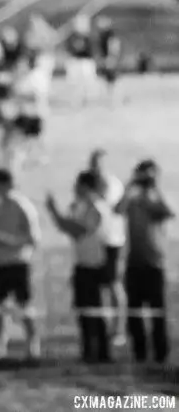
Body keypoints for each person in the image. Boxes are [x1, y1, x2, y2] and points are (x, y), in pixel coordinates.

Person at [46, 171, 112, 363]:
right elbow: (69, 227)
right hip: (83, 264)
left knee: (95, 310)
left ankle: (101, 352)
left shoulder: (96, 208)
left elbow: (77, 230)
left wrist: (55, 212)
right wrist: (56, 213)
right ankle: (89, 351)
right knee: (84, 310)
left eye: (78, 184)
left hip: (95, 266)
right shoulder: (82, 207)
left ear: (85, 186)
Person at [116, 160, 173, 364]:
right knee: (135, 312)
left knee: (157, 311)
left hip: (155, 263)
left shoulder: (155, 200)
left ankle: (160, 354)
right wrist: (130, 185)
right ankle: (139, 352)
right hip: (134, 262)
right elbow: (117, 209)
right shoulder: (132, 200)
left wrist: (153, 188)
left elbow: (168, 212)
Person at [0, 168, 41, 360]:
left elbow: (33, 239)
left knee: (24, 307)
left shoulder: (21, 206)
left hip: (17, 263)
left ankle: (32, 345)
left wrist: (7, 242)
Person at [86, 149, 127, 345]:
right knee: (98, 286)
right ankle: (103, 327)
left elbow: (105, 209)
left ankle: (118, 329)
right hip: (98, 242)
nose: (94, 167)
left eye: (97, 163)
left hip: (111, 241)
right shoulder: (93, 184)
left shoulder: (110, 184)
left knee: (113, 284)